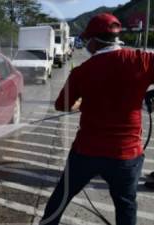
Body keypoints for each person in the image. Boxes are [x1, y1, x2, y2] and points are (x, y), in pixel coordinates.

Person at [40, 13, 149, 225]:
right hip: (126, 156)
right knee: (126, 205)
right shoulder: (141, 60)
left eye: (87, 40)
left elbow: (61, 105)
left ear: (95, 41)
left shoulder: (82, 72)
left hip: (86, 152)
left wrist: (81, 103)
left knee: (60, 198)